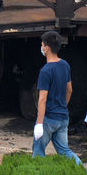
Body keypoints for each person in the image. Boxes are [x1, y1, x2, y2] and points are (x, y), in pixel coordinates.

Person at [31, 30, 82, 165]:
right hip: (63, 117)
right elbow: (69, 90)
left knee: (38, 152)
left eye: (42, 45)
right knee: (65, 151)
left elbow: (42, 99)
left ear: (46, 48)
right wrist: (63, 106)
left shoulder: (45, 71)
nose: (41, 48)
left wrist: (40, 123)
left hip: (48, 118)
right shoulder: (65, 65)